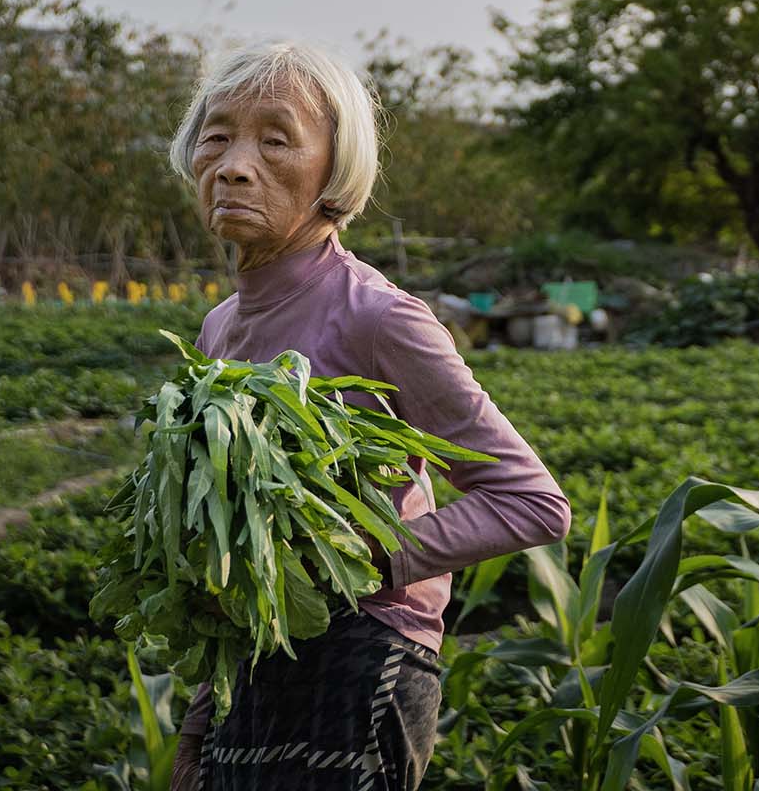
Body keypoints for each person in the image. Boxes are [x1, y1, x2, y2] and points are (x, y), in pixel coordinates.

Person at [166, 41, 572, 790]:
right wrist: (198, 718)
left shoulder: (379, 318)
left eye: (277, 139)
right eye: (216, 137)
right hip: (256, 649)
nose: (232, 164)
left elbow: (533, 502)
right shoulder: (219, 328)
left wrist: (363, 562)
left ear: (334, 171)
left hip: (365, 653)